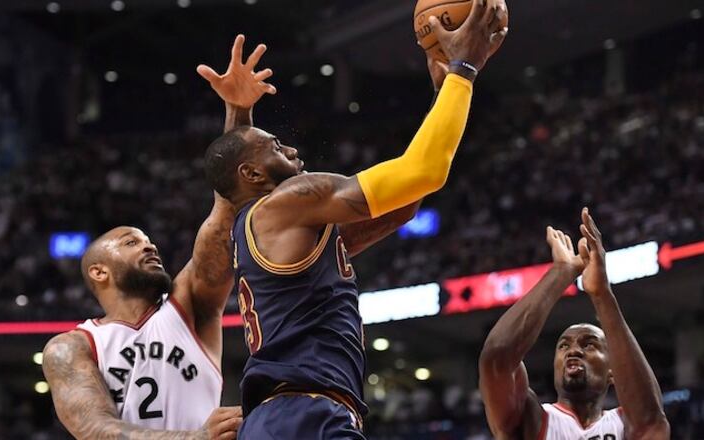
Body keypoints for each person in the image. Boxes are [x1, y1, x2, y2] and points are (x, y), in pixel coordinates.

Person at [198, 2, 509, 437]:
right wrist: (463, 70)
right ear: (251, 174)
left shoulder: (280, 229)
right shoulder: (287, 202)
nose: (290, 149)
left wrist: (443, 95)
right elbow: (423, 171)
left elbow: (408, 198)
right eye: (275, 146)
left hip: (292, 415)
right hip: (304, 412)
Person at [40, 37, 280, 438]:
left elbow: (227, 212)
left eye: (147, 239)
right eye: (131, 241)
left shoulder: (190, 308)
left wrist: (239, 110)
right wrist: (196, 438)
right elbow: (96, 429)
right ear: (98, 271)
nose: (149, 244)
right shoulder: (71, 347)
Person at [479, 208, 671, 440]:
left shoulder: (626, 425)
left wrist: (602, 295)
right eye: (563, 346)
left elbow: (651, 422)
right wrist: (561, 273)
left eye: (589, 345)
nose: (574, 351)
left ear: (613, 372)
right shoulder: (531, 418)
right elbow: (496, 358)